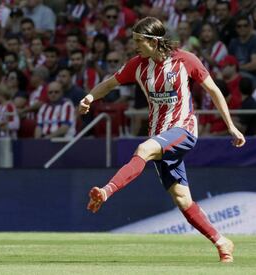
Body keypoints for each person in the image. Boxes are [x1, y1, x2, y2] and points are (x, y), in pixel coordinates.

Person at [79, 17, 246, 263]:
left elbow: (214, 90)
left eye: (138, 41)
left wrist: (231, 126)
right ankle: (222, 242)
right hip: (160, 136)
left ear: (154, 41)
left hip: (183, 130)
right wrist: (90, 98)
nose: (134, 45)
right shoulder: (137, 65)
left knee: (143, 149)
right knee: (182, 200)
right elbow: (109, 84)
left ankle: (105, 191)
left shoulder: (186, 60)